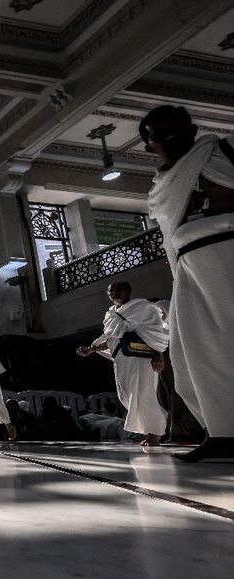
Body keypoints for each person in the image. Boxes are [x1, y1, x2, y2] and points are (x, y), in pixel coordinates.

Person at [140, 105, 234, 461]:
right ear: (150, 147)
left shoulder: (223, 151)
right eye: (159, 135)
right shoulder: (161, 185)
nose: (169, 137)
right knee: (195, 351)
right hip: (191, 265)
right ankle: (223, 431)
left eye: (175, 128)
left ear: (192, 128)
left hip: (229, 249)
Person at [76, 281, 168, 446]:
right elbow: (112, 338)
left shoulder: (143, 307)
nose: (115, 293)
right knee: (127, 396)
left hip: (142, 358)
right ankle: (149, 431)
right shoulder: (110, 314)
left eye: (119, 290)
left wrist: (159, 355)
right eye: (111, 291)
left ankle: (154, 433)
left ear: (128, 291)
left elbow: (155, 332)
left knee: (144, 394)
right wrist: (92, 349)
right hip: (122, 359)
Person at [150, 299, 203, 444]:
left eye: (159, 312)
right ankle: (173, 430)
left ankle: (185, 433)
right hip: (166, 365)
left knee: (180, 396)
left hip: (179, 363)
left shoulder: (178, 325)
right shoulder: (158, 327)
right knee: (165, 397)